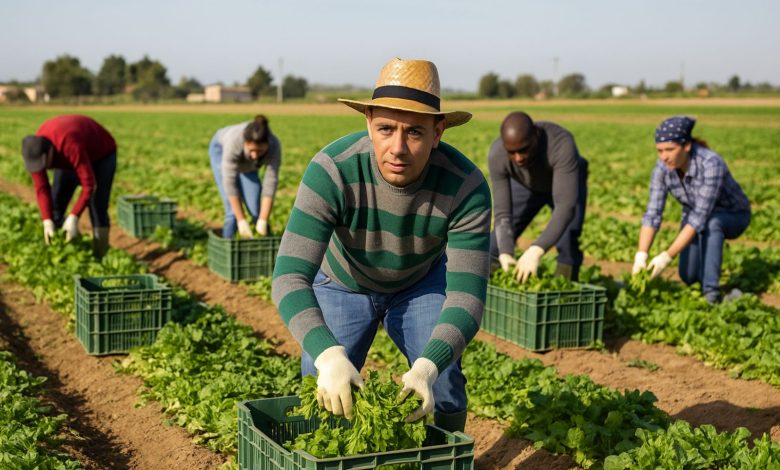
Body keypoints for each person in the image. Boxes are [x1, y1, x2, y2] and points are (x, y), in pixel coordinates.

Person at [271, 58, 492, 433]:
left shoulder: (465, 187)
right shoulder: (333, 171)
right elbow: (289, 277)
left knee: (445, 385)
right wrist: (327, 354)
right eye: (386, 129)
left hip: (418, 284)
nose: (398, 147)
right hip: (344, 284)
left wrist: (426, 367)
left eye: (416, 133)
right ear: (368, 125)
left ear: (438, 132)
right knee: (320, 386)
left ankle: (448, 456)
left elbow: (467, 296)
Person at [632, 116, 751, 304]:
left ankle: (711, 295)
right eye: (660, 151)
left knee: (712, 222)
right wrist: (641, 255)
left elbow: (699, 218)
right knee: (688, 275)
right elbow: (653, 212)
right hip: (695, 215)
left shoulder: (711, 163)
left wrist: (666, 257)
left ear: (686, 146)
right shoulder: (662, 168)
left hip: (733, 215)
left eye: (670, 149)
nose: (664, 156)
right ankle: (702, 282)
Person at [488, 112, 588, 282]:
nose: (518, 158)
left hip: (565, 183)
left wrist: (536, 249)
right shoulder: (497, 154)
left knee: (568, 241)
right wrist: (505, 252)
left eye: (524, 149)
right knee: (494, 246)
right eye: (512, 152)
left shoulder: (560, 144)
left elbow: (565, 207)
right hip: (526, 185)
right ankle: (493, 297)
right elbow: (503, 213)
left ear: (535, 135)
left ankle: (562, 297)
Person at [21, 114, 117, 257]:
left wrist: (74, 216)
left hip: (101, 155)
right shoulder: (35, 151)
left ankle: (100, 253)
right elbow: (41, 188)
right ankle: (67, 248)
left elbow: (89, 185)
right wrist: (47, 221)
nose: (42, 168)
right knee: (55, 205)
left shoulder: (69, 145)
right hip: (70, 153)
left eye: (43, 164)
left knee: (97, 205)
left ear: (49, 153)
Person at [208, 115, 281, 239]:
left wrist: (263, 220)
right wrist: (241, 221)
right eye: (251, 150)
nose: (254, 155)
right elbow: (230, 184)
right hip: (220, 148)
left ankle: (265, 248)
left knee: (256, 210)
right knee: (232, 212)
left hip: (248, 166)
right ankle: (228, 248)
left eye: (259, 151)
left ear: (267, 144)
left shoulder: (274, 146)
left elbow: (270, 183)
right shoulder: (234, 141)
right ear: (245, 143)